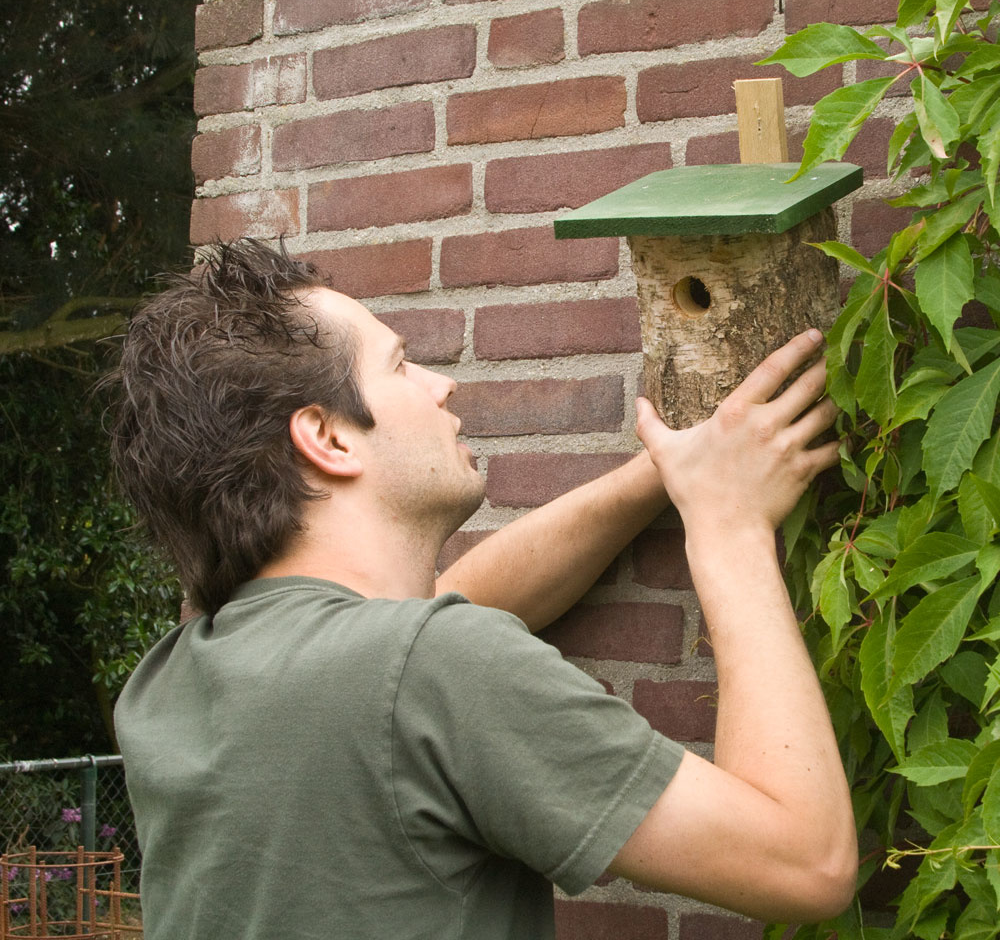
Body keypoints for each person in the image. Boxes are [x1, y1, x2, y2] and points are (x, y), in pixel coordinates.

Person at [109, 238, 857, 940]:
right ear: (329, 439)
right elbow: (808, 863)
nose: (442, 385)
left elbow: (429, 627)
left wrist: (666, 472)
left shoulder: (170, 684)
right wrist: (728, 525)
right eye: (400, 367)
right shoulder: (430, 671)